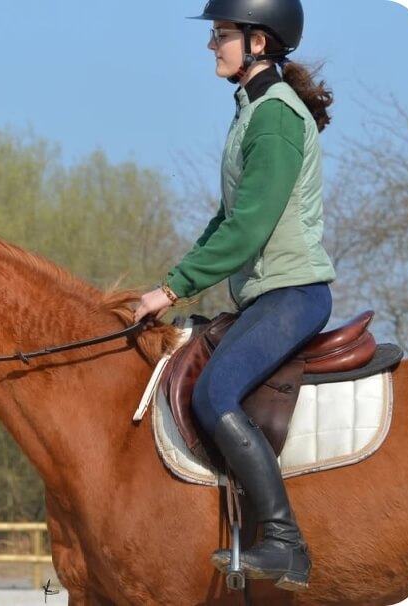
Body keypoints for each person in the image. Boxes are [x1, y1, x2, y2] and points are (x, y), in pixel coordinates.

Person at [133, 0, 335, 592]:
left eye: (221, 34)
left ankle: (284, 543)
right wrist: (171, 282)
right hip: (264, 296)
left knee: (215, 391)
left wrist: (171, 288)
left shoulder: (273, 117)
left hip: (292, 294)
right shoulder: (250, 112)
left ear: (258, 41)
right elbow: (226, 221)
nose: (211, 45)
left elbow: (250, 228)